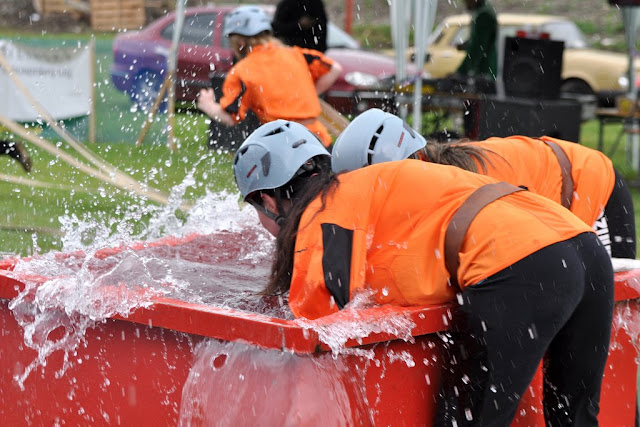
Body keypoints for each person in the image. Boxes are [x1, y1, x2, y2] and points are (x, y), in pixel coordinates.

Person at [233, 119, 614, 425]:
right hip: (584, 248)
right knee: (574, 416)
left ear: (267, 201)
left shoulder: (323, 213)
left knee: (467, 420)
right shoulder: (372, 183)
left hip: (523, 266)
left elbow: (318, 326)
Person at [331, 108, 636, 259]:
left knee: (611, 319)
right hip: (563, 189)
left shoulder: (468, 185)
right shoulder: (438, 170)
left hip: (593, 188)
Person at [196, 6, 342, 148]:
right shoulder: (296, 55)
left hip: (285, 146)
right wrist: (311, 93)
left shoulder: (242, 71)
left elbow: (231, 118)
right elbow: (335, 69)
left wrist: (208, 105)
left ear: (240, 42)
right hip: (319, 142)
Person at [454, 0, 498, 80]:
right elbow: (478, 40)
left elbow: (478, 47)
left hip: (485, 71)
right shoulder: (483, 11)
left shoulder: (484, 15)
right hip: (485, 70)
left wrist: (460, 72)